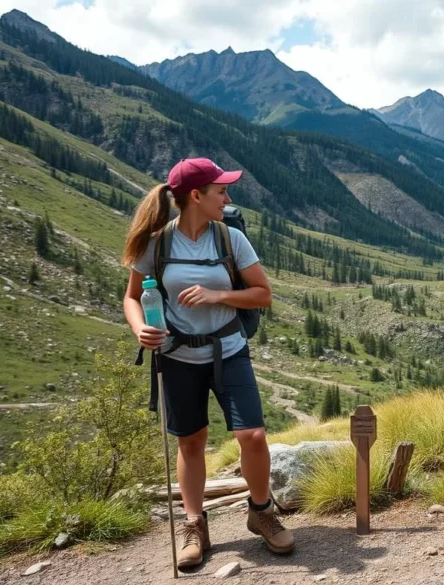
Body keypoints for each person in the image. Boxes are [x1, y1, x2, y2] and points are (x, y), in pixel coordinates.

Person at [121, 158, 293, 570]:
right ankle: (196, 524)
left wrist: (219, 296)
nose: (228, 198)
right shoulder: (155, 244)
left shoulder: (231, 239)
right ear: (195, 196)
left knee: (251, 434)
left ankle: (261, 511)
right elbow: (131, 297)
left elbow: (263, 294)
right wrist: (139, 329)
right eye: (221, 191)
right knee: (191, 442)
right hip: (176, 356)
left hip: (228, 350)